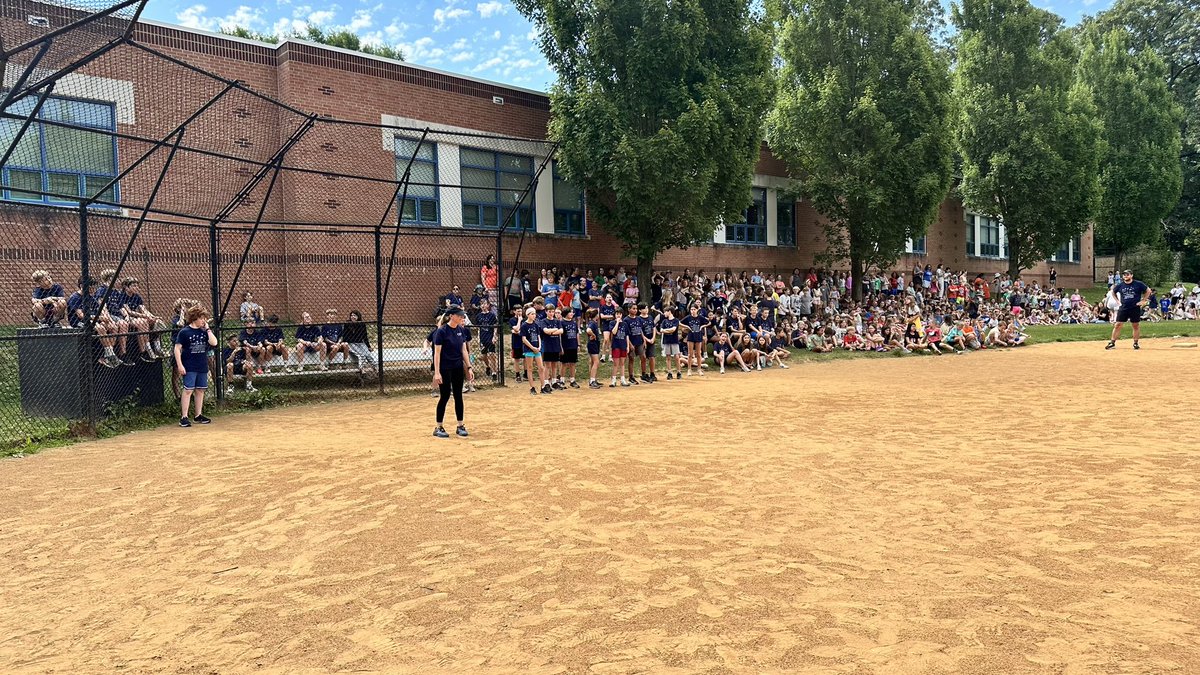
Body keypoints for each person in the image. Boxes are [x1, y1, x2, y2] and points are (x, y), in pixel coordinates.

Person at [431, 306, 473, 438]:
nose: (462, 317)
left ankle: (460, 426)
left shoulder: (461, 330)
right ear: (451, 316)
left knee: (458, 396)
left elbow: (464, 350)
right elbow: (437, 354)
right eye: (459, 315)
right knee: (444, 396)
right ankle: (439, 427)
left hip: (457, 367)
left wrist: (469, 367)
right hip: (444, 368)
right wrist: (437, 372)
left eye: (462, 315)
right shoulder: (441, 331)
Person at [173, 304, 217, 427]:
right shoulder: (185, 332)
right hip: (189, 365)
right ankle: (184, 417)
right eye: (202, 318)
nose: (204, 321)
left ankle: (198, 415)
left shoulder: (204, 331)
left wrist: (208, 329)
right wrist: (180, 365)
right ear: (195, 318)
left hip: (201, 365)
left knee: (200, 390)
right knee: (188, 390)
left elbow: (214, 342)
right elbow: (177, 349)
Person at [1106, 269, 1150, 350]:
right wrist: (1117, 301)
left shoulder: (1138, 284)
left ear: (1131, 275)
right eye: (1124, 275)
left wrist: (1143, 300)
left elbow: (1148, 290)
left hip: (1135, 307)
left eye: (1127, 274)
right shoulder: (1120, 285)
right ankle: (1112, 342)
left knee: (1135, 325)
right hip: (1124, 308)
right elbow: (1113, 292)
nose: (1126, 276)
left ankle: (1135, 343)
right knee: (1118, 325)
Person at [342, 310, 376, 375]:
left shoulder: (362, 324)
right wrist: (351, 340)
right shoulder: (347, 324)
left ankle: (376, 368)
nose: (352, 317)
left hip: (360, 343)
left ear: (358, 317)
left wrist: (369, 346)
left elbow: (365, 336)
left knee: (368, 354)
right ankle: (361, 369)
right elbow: (345, 336)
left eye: (354, 315)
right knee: (361, 355)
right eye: (351, 315)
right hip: (351, 343)